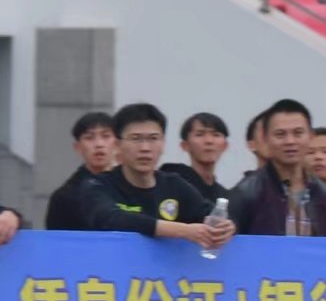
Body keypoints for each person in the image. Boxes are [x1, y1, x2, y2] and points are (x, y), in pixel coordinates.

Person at [81, 103, 237, 252]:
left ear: (163, 144)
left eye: (153, 138)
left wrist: (226, 227)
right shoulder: (98, 185)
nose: (145, 148)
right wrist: (182, 231)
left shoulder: (174, 184)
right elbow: (111, 219)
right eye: (135, 139)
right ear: (117, 145)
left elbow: (208, 212)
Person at [229, 99, 326, 237]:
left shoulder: (322, 194)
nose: (290, 141)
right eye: (280, 134)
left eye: (298, 133)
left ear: (311, 136)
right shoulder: (247, 192)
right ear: (266, 139)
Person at [44, 111, 118, 231]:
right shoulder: (65, 197)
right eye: (89, 138)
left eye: (106, 136)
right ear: (77, 147)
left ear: (117, 143)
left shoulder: (131, 186)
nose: (99, 144)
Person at [160, 112, 230, 202]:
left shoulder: (225, 196)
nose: (209, 141)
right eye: (199, 134)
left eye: (216, 135)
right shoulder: (171, 184)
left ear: (225, 146)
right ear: (185, 145)